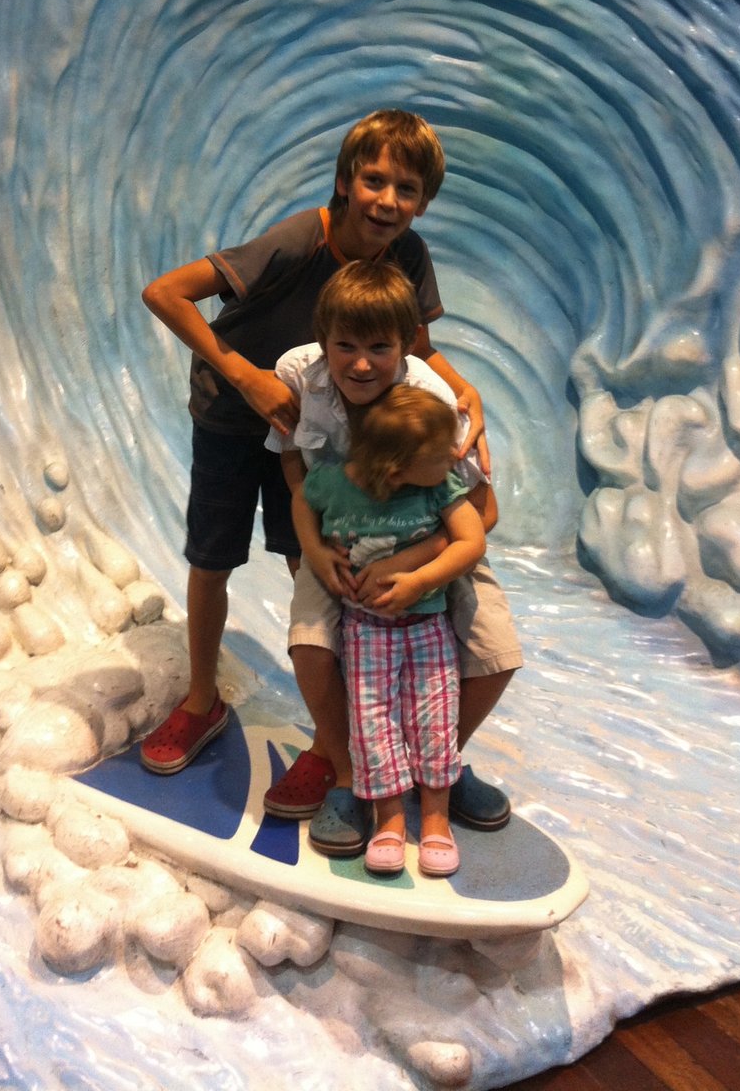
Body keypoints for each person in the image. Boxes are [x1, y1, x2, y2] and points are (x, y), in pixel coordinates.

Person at [138, 110, 487, 784]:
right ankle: (201, 701)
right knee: (212, 559)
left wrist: (462, 388)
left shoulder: (407, 255)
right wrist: (247, 378)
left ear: (423, 202)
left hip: (311, 430)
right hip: (231, 417)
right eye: (374, 180)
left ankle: (335, 740)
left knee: (315, 563)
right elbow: (166, 293)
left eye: (407, 189)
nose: (387, 201)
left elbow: (414, 345)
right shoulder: (301, 239)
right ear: (344, 180)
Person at [267, 260, 521, 855]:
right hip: (339, 544)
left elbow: (480, 512)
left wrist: (415, 564)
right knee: (310, 642)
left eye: (379, 348)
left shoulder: (432, 400)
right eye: (345, 346)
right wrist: (315, 551)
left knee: (496, 649)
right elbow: (293, 465)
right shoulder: (299, 375)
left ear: (407, 344)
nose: (360, 364)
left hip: (433, 542)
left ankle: (437, 769)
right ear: (323, 339)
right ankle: (351, 776)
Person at [296, 386, 486, 876]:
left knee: (435, 715)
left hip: (426, 626)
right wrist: (315, 550)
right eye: (441, 453)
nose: (454, 456)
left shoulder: (438, 486)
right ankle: (390, 820)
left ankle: (437, 820)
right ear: (396, 469)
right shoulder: (335, 483)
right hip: (366, 630)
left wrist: (421, 580)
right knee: (372, 721)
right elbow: (301, 500)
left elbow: (472, 540)